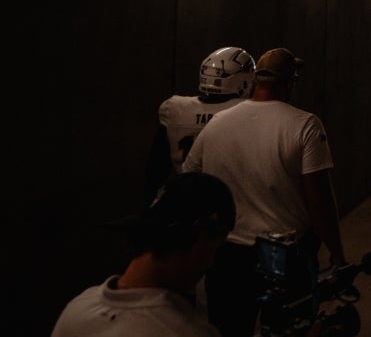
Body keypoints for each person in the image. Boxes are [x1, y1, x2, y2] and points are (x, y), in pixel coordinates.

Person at [182, 47, 346, 337]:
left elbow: (191, 177)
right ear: (289, 83)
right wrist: (336, 251)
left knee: (228, 328)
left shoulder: (218, 123)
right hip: (282, 254)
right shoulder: (305, 125)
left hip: (227, 251)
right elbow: (318, 200)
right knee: (290, 328)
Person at [52, 172, 235, 337]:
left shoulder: (77, 309)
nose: (210, 263)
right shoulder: (185, 331)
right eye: (214, 250)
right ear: (199, 241)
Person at [145, 46, 255, 201]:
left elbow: (157, 167)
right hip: (228, 199)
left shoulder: (175, 108)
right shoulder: (246, 110)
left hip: (185, 196)